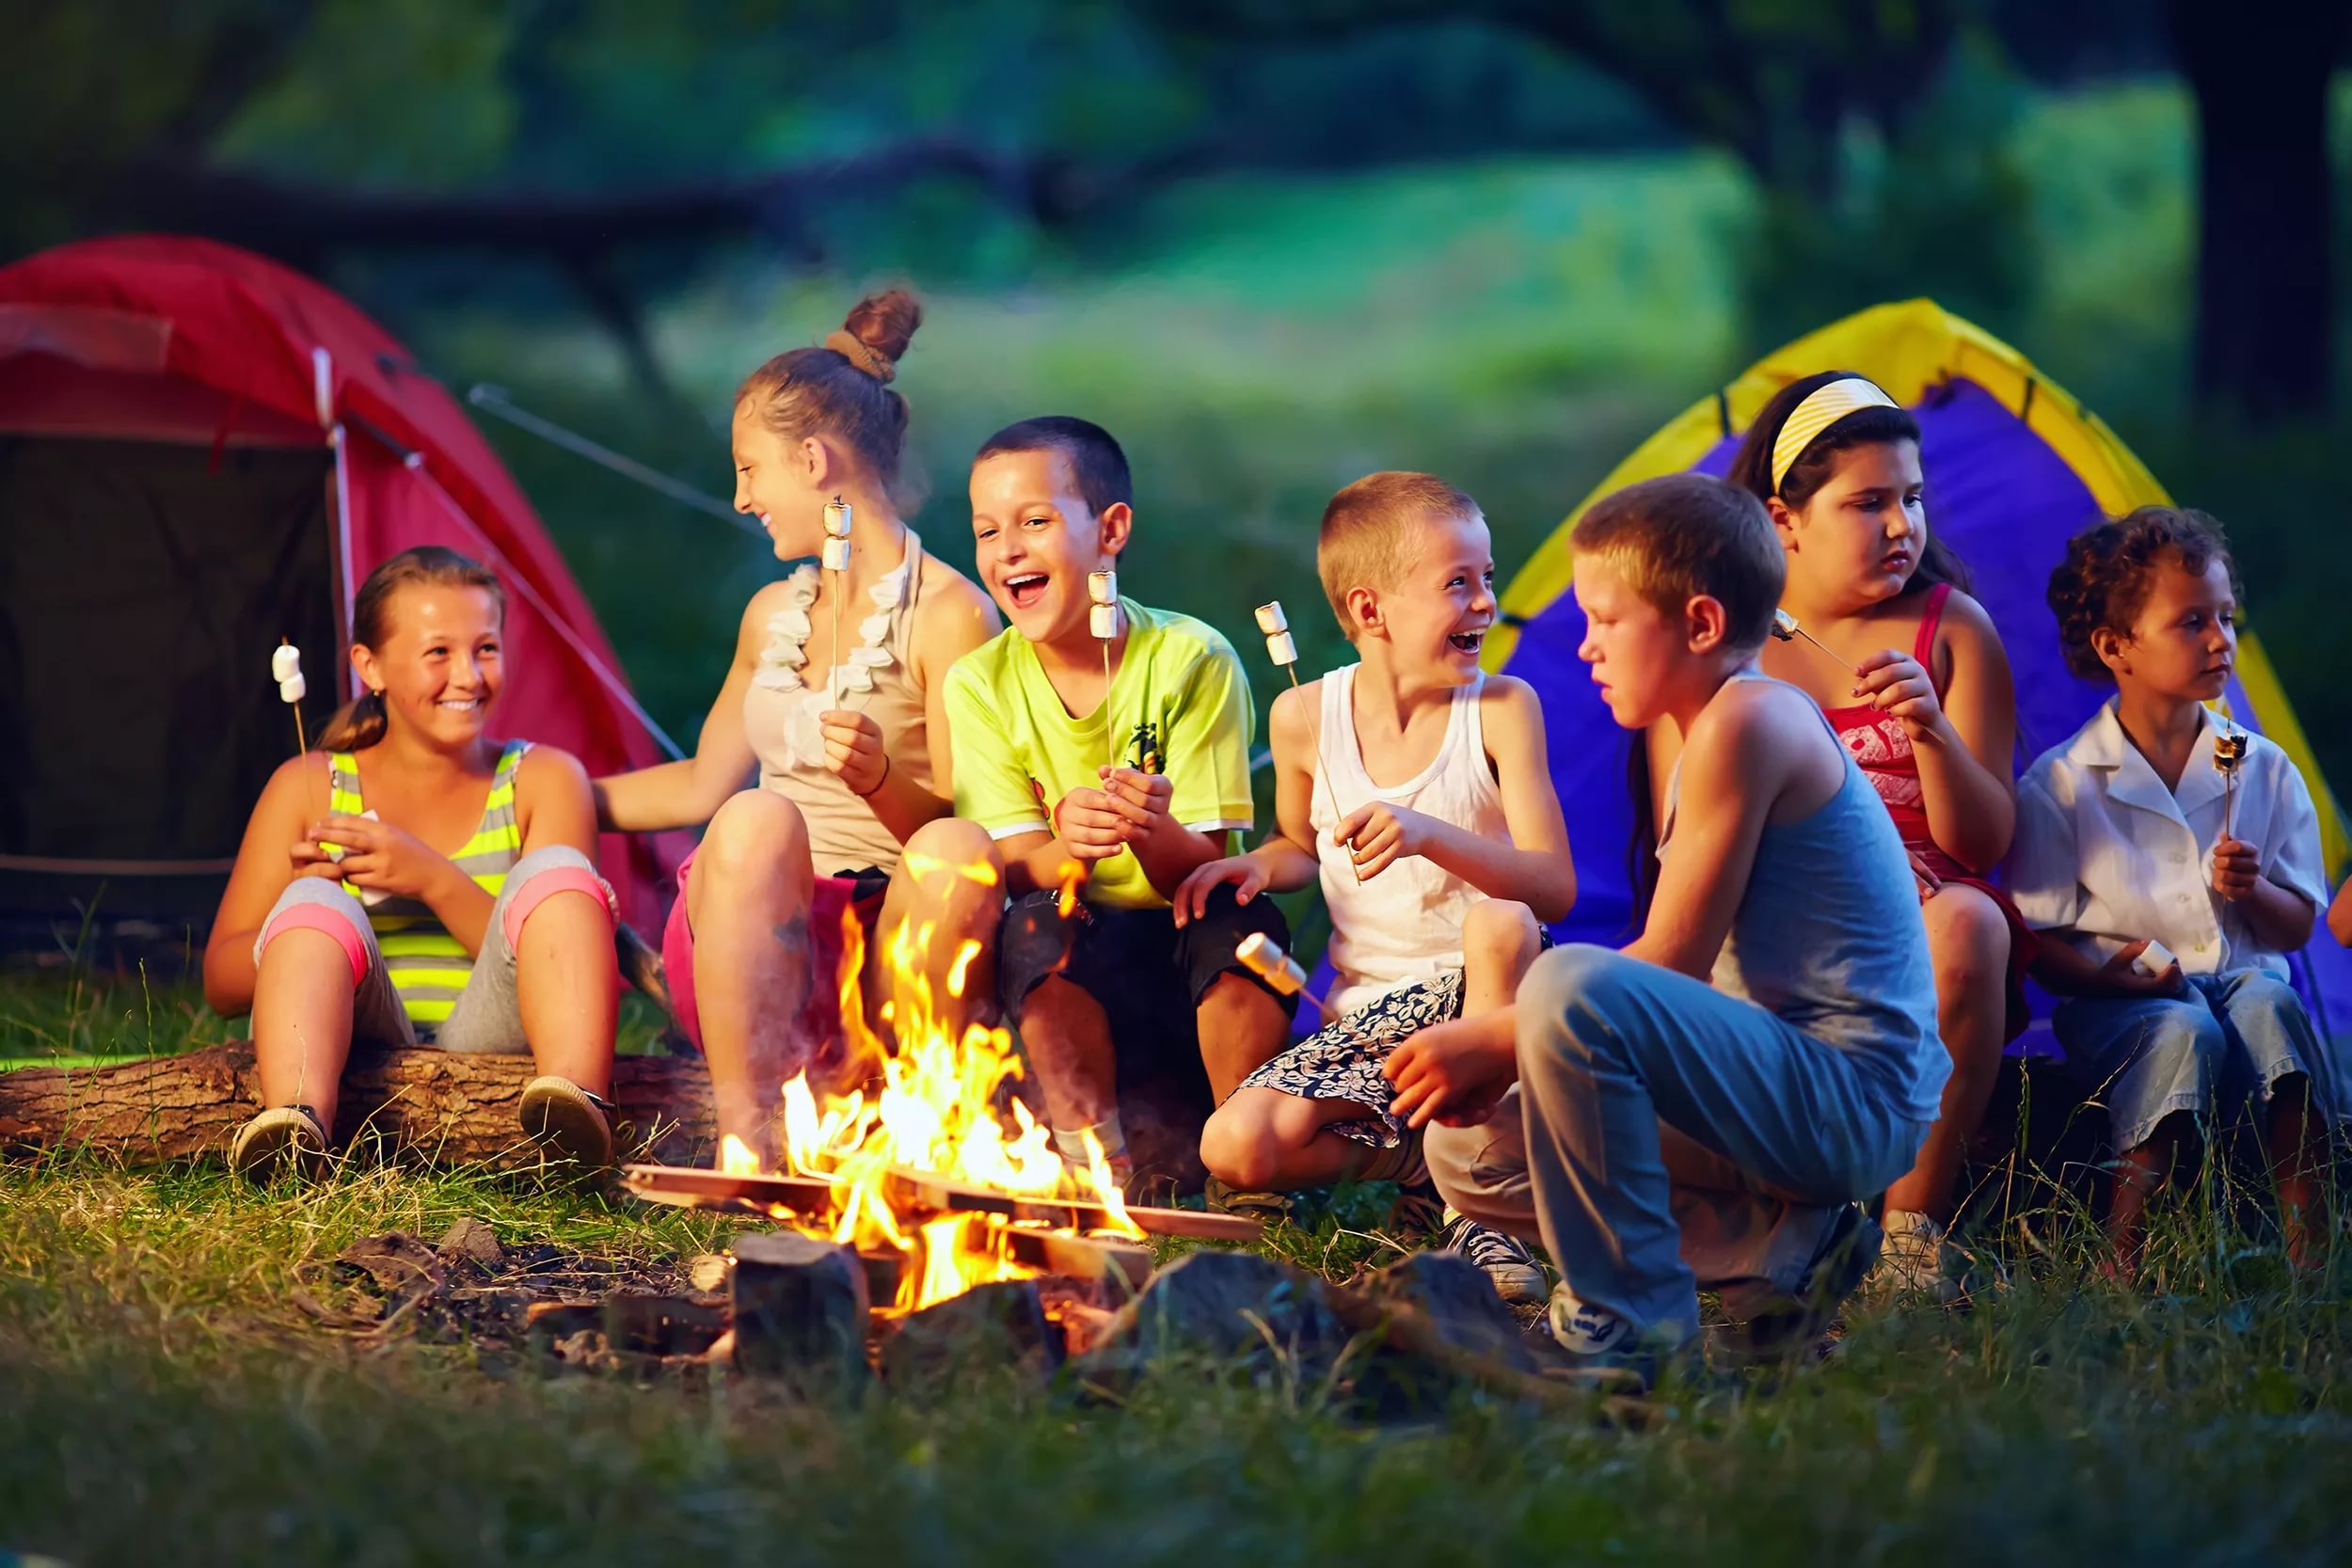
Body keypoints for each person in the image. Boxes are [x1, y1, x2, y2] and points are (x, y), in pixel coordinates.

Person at [1385, 473, 1946, 1386]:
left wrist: (1493, 1034)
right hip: (1771, 1101)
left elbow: (1668, 964)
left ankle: (1633, 1321)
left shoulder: (1750, 721)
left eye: (1606, 619)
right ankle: (1783, 1251)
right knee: (1473, 1148)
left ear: (1698, 625)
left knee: (1567, 985)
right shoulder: (1710, 730)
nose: (1584, 644)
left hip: (1849, 1096)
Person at [592, 291, 998, 1167]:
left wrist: (879, 777)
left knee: (957, 847)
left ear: (812, 459)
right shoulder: (772, 612)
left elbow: (966, 839)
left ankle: (915, 1125)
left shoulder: (952, 615)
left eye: (750, 470)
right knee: (754, 815)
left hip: (888, 954)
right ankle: (752, 1143)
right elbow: (703, 783)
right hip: (751, 946)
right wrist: (549, 793)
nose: (741, 498)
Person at [1179, 471, 1574, 1296]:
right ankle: (1424, 1170)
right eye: (1457, 584)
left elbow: (1553, 889)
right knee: (1239, 1144)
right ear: (1369, 611)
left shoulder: (1502, 708)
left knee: (1500, 923)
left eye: (1489, 579)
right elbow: (1300, 842)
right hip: (1369, 1016)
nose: (1485, 605)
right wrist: (1259, 864)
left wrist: (1430, 832)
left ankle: (1485, 1213)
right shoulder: (1303, 719)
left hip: (1486, 995)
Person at [887, 416, 1292, 1188]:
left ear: (1110, 530)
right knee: (1036, 929)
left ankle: (1249, 1164)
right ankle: (1092, 1163)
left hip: (1184, 936)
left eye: (1035, 522)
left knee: (1243, 928)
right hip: (1077, 963)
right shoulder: (981, 683)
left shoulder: (1190, 658)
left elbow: (1202, 868)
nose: (1006, 549)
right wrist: (1070, 843)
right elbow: (1009, 867)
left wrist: (1150, 826)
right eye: (985, 530)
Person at [1716, 370, 2031, 1297]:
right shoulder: (1728, 646)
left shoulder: (1951, 630)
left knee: (1972, 920)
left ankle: (1908, 1237)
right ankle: (1787, 1217)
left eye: (1913, 498)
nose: (1902, 526)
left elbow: (1981, 844)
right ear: (1783, 519)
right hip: (1776, 934)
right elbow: (1683, 836)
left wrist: (1930, 730)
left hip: (1923, 933)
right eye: (1868, 503)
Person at [203, 548, 621, 1178]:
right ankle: (295, 1126)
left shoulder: (542, 779)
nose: (469, 676)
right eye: (438, 653)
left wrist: (431, 877)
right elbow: (221, 985)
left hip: (494, 1038)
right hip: (362, 1038)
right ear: (369, 666)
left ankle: (577, 1111)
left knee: (559, 869)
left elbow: (567, 956)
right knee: (314, 906)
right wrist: (299, 908)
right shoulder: (309, 787)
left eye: (485, 648)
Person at [2010, 507, 2337, 1273]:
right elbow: (2041, 944)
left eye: (2225, 616)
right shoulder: (2059, 784)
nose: (2221, 640)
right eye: (2192, 622)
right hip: (2121, 1008)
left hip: (2240, 987)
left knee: (2270, 999)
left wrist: (2250, 893)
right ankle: (2124, 1254)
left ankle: (2310, 1247)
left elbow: (2292, 931)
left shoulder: (2260, 766)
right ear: (2116, 646)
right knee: (2182, 1027)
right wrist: (2106, 973)